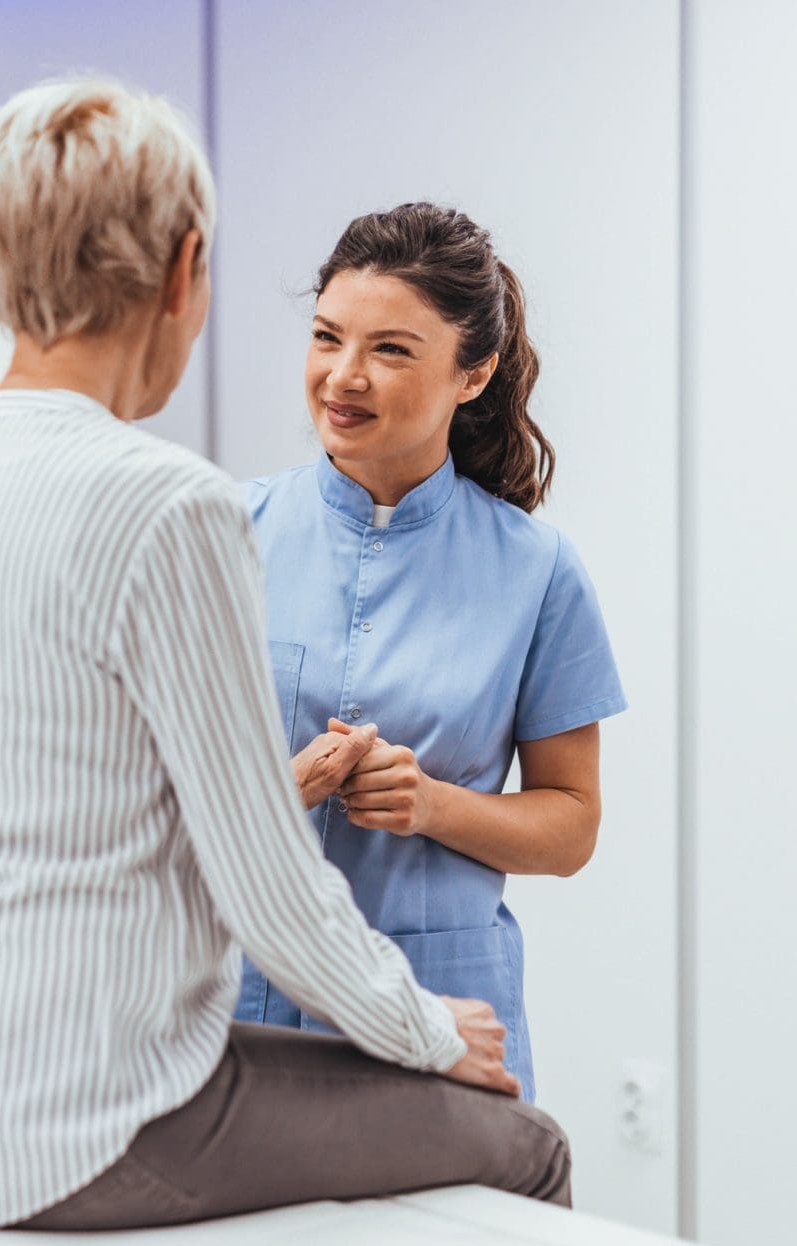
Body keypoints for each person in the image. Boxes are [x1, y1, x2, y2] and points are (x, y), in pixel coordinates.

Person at [0, 82, 569, 1233]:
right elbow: (270, 888)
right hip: (62, 1124)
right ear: (184, 270)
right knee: (528, 1143)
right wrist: (429, 1029)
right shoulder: (172, 505)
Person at [234, 204, 627, 1101]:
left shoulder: (537, 571)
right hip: (247, 1008)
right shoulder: (222, 535)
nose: (344, 376)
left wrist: (433, 806)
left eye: (391, 350)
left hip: (445, 1021)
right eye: (327, 337)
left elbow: (572, 827)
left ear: (473, 373)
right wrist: (275, 791)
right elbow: (145, 795)